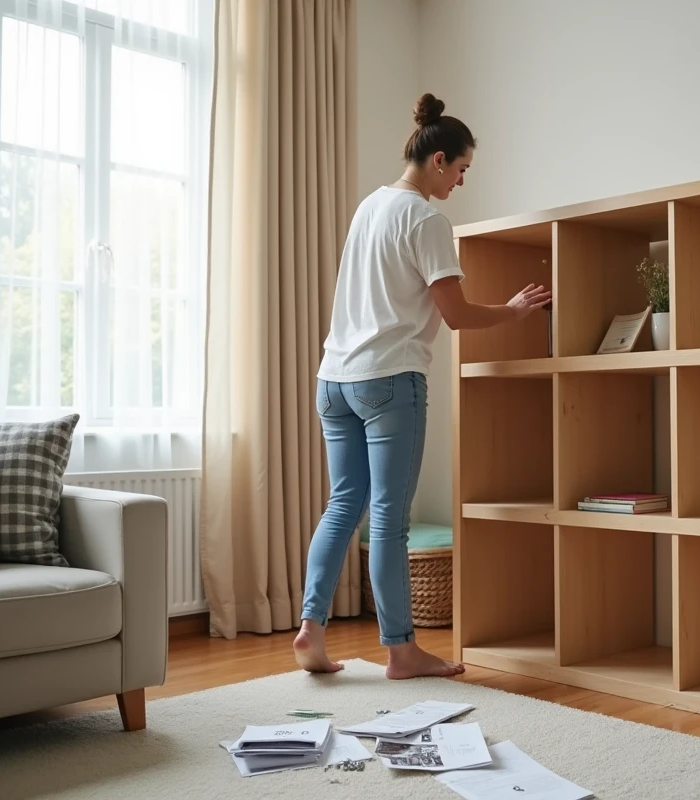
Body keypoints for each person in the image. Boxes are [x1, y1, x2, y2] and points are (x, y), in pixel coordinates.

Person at [292, 93, 551, 679]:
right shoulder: (427, 219)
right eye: (461, 170)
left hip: (334, 379)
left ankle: (310, 629)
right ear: (438, 160)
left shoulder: (369, 207)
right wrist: (513, 311)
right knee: (388, 519)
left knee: (343, 507)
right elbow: (455, 313)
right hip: (389, 379)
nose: (460, 183)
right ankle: (402, 649)